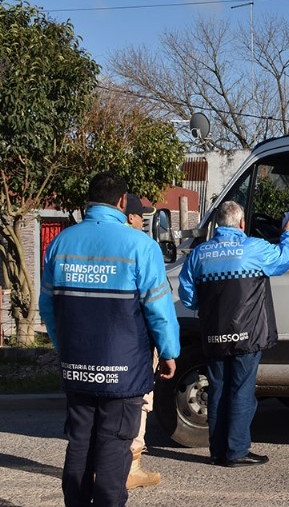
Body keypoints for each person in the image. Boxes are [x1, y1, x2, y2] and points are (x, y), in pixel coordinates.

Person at [39, 172, 180, 507]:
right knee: (114, 451)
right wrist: (170, 351)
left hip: (76, 369)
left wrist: (65, 346)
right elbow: (159, 310)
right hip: (123, 372)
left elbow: (47, 306)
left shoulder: (61, 243)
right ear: (121, 201)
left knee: (79, 444)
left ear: (90, 200)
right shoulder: (140, 246)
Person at [178, 200, 289, 467]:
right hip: (249, 334)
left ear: (218, 223)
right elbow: (286, 257)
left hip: (214, 334)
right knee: (241, 391)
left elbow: (186, 295)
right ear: (242, 223)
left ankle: (218, 451)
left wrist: (206, 306)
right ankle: (237, 451)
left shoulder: (199, 254)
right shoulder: (254, 248)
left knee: (218, 389)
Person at [123, 193, 161, 490]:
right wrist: (168, 347)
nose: (143, 220)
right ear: (132, 217)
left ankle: (102, 466)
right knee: (140, 404)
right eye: (142, 215)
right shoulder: (143, 247)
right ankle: (131, 468)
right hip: (137, 343)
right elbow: (156, 304)